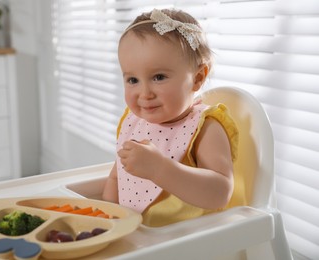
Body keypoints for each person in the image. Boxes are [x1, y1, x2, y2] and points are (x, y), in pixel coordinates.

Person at [102, 8, 243, 227]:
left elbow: (220, 192)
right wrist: (106, 220)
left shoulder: (205, 127)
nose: (144, 93)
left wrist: (161, 170)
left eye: (158, 77)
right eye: (132, 80)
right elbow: (117, 177)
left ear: (197, 77)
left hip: (185, 242)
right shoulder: (134, 122)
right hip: (136, 238)